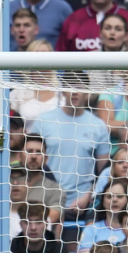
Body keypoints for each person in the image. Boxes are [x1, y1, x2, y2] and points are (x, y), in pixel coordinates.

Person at [29, 80, 109, 226]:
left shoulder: (98, 126)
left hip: (81, 204)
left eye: (79, 88)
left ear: (87, 92)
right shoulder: (43, 120)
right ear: (63, 91)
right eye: (70, 87)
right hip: (45, 200)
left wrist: (88, 196)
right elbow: (31, 161)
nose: (75, 92)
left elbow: (103, 171)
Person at [56, 0, 128, 51]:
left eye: (118, 29)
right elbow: (59, 60)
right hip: (80, 80)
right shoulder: (73, 20)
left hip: (122, 79)